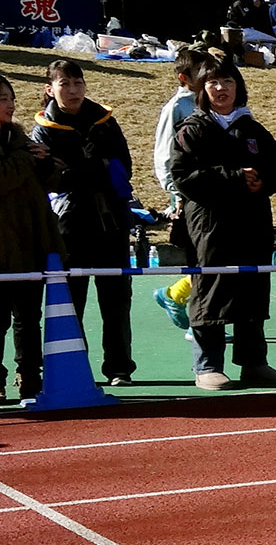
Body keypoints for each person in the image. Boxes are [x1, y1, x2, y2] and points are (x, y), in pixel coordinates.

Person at [170, 53, 276, 389]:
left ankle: (254, 363)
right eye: (213, 82)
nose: (221, 88)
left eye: (228, 81)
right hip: (210, 224)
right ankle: (207, 365)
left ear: (239, 87)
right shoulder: (192, 129)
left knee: (252, 289)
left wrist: (262, 181)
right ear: (201, 88)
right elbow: (183, 176)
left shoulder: (251, 128)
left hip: (252, 223)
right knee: (210, 290)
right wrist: (235, 177)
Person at [32, 59, 138, 387]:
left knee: (116, 299)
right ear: (50, 89)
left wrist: (77, 169)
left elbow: (124, 170)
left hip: (111, 222)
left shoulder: (105, 121)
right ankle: (74, 370)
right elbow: (51, 179)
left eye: (78, 83)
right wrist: (97, 166)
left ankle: (120, 368)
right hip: (68, 225)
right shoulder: (43, 129)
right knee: (70, 301)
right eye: (65, 84)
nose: (74, 90)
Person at [1, 73, 61, 403]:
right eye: (2, 99)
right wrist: (24, 157)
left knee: (28, 318)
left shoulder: (18, 136)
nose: (10, 105)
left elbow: (44, 185)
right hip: (1, 245)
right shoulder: (16, 148)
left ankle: (30, 376)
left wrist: (45, 162)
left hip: (30, 240)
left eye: (11, 99)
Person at [152, 50, 209, 330]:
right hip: (189, 195)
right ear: (184, 77)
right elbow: (164, 155)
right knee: (201, 258)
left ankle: (174, 295)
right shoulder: (176, 107)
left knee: (215, 258)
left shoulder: (213, 102)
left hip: (215, 192)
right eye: (202, 71)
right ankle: (196, 321)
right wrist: (176, 193)